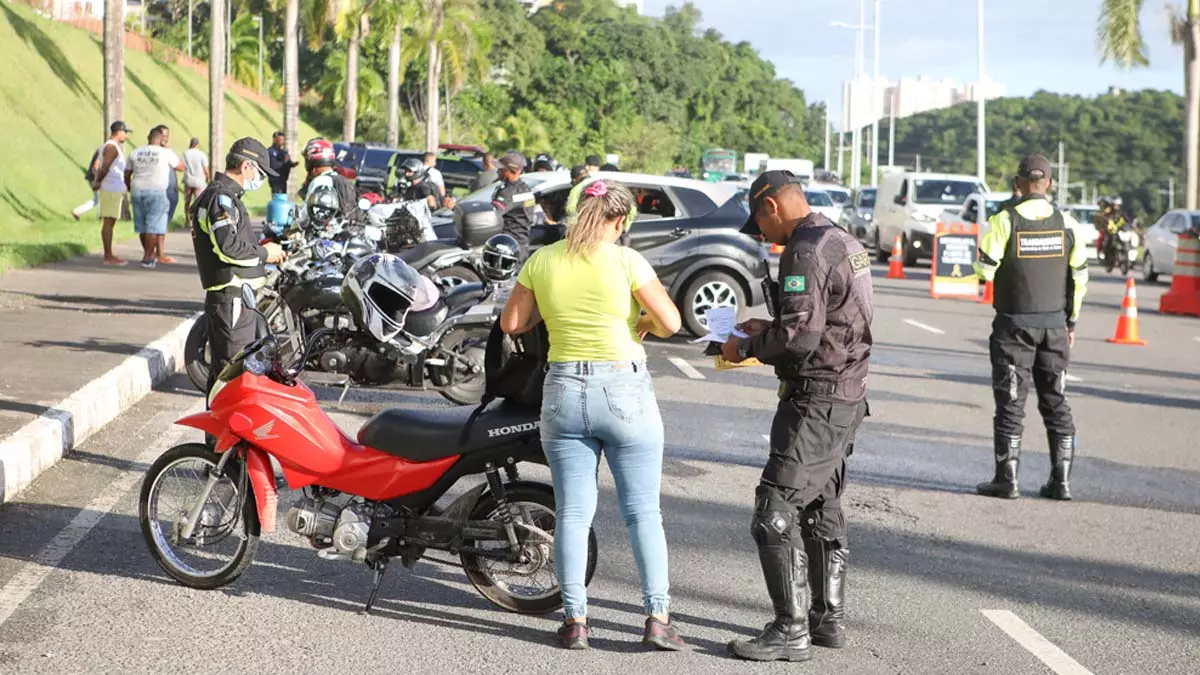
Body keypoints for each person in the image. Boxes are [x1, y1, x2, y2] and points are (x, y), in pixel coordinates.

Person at [499, 179, 685, 652]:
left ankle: (576, 621)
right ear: (621, 221)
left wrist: (551, 311)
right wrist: (639, 322)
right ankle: (657, 617)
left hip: (563, 390)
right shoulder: (627, 261)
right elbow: (670, 322)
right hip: (623, 388)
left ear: (577, 211)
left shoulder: (542, 260)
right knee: (643, 512)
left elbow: (512, 323)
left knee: (574, 513)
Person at [720, 170, 873, 663]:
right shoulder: (841, 239)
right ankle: (826, 619)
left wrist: (743, 345)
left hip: (817, 398)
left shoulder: (803, 250)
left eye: (760, 224)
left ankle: (790, 629)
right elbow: (826, 320)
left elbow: (801, 340)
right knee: (821, 505)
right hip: (847, 394)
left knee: (776, 510)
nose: (763, 236)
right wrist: (772, 325)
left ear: (771, 205)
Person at [974, 154, 1089, 502]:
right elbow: (1080, 278)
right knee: (1056, 401)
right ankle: (1062, 482)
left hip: (1014, 326)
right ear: (1050, 184)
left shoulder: (1004, 221)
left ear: (1018, 182)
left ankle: (1006, 480)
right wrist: (1071, 321)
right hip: (1055, 326)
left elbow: (984, 270)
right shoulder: (1068, 223)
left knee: (1011, 402)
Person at [190, 137, 286, 393]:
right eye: (260, 173)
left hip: (236, 298)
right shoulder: (220, 199)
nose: (261, 180)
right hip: (231, 298)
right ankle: (223, 433)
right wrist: (265, 253)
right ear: (246, 166)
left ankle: (225, 432)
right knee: (231, 373)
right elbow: (228, 247)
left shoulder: (224, 196)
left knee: (229, 372)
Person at [125, 125, 183, 268]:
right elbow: (181, 166)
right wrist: (169, 149)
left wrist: (128, 187)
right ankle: (148, 258)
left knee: (142, 226)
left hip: (137, 190)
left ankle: (148, 253)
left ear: (148, 138)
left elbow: (127, 173)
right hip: (156, 191)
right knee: (154, 227)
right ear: (161, 139)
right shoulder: (165, 153)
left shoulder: (135, 152)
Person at [92, 120, 132, 265]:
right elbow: (105, 166)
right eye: (125, 132)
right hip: (110, 188)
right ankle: (108, 255)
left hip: (112, 187)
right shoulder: (112, 147)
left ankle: (109, 253)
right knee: (108, 222)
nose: (126, 135)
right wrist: (98, 181)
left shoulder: (111, 146)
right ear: (119, 132)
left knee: (110, 221)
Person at [299, 138, 364, 228]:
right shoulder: (343, 180)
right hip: (346, 230)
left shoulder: (319, 181)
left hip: (326, 235)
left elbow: (304, 216)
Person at [491, 151, 537, 257]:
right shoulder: (525, 188)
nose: (498, 171)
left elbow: (493, 215)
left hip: (508, 245)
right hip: (522, 245)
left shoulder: (509, 192)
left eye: (502, 169)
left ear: (512, 171)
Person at [183, 138, 210, 227]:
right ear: (197, 144)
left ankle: (187, 221)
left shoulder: (185, 154)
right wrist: (208, 178)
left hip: (188, 180)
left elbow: (182, 165)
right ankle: (200, 221)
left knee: (187, 201)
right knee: (200, 202)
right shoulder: (201, 154)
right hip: (199, 181)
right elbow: (206, 168)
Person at [268, 131, 299, 196]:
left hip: (283, 179)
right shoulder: (271, 151)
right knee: (278, 197)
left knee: (283, 197)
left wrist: (292, 164)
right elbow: (273, 166)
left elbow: (288, 163)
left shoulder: (284, 152)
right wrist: (284, 162)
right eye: (280, 139)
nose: (282, 141)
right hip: (275, 179)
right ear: (274, 139)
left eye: (283, 139)